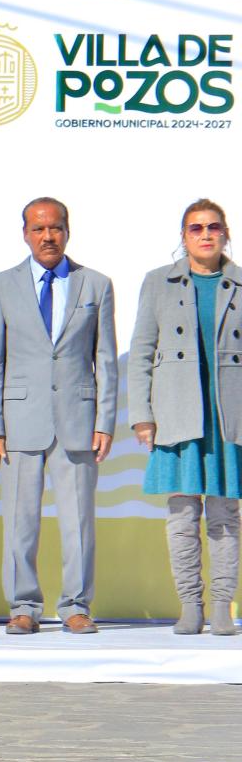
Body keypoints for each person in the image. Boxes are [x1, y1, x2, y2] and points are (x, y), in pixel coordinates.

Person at [0, 197, 117, 635]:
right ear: (25, 234)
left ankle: (75, 606)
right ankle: (23, 606)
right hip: (19, 421)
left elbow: (105, 359)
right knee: (20, 522)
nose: (47, 236)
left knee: (78, 521)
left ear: (67, 231)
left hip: (77, 420)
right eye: (38, 229)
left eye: (55, 227)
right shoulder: (0, 286)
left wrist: (105, 421)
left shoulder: (95, 285)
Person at [128, 198, 242, 636]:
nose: (206, 234)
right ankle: (190, 605)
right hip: (176, 413)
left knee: (225, 515)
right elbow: (140, 351)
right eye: (196, 228)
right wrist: (142, 415)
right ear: (184, 237)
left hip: (227, 416)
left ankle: (221, 607)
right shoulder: (158, 282)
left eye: (214, 227)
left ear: (225, 234)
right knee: (181, 515)